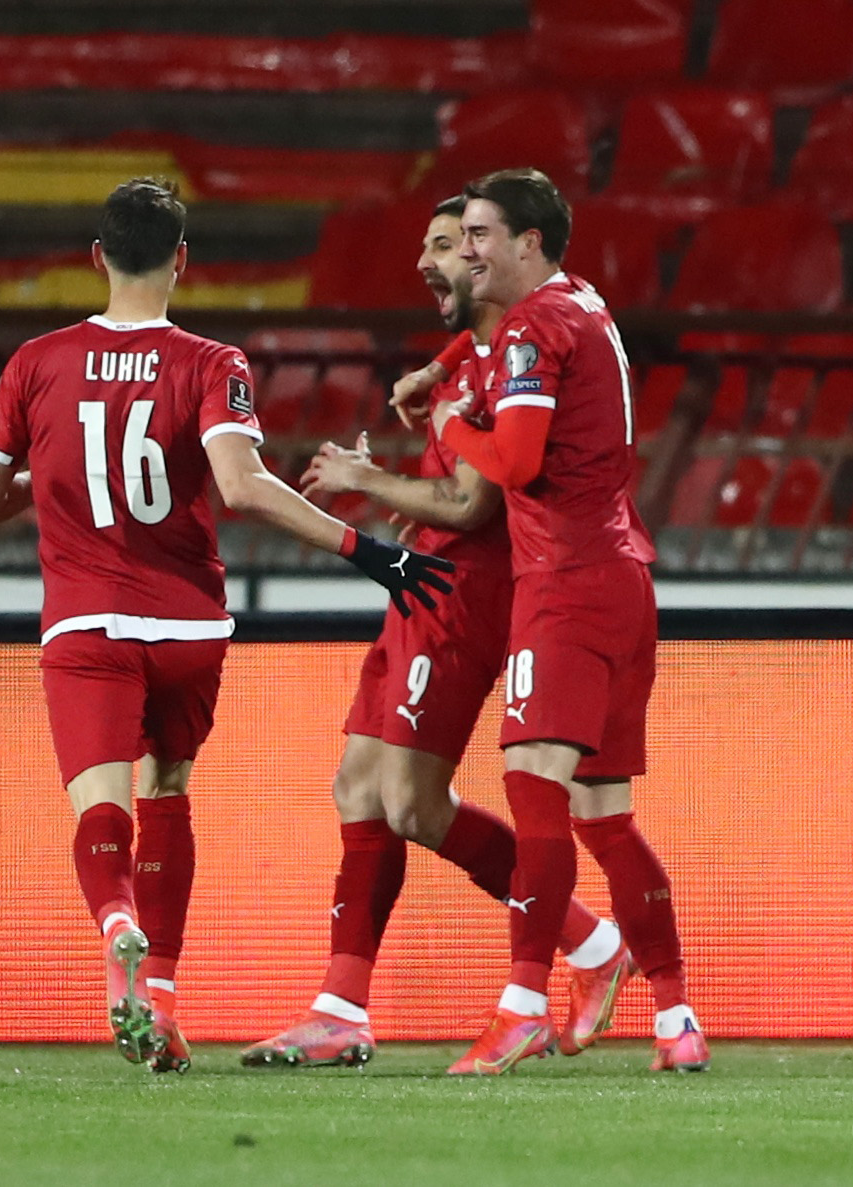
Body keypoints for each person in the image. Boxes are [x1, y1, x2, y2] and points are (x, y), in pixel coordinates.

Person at [0, 178, 453, 1074]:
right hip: (187, 623)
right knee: (168, 792)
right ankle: (167, 1005)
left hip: (86, 623)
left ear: (98, 257)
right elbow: (240, 484)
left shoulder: (36, 360)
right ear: (183, 259)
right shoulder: (211, 361)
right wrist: (367, 551)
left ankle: (118, 930)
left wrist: (61, 477)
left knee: (100, 806)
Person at [240, 197, 629, 1070]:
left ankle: (594, 945)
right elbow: (476, 344)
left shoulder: (514, 360)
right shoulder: (483, 351)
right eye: (431, 243)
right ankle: (340, 1007)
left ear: (499, 259)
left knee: (413, 802)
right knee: (356, 786)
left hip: (465, 591)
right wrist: (438, 368)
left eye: (454, 246)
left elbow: (470, 501)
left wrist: (364, 477)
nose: (435, 260)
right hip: (423, 588)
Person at [431, 168, 707, 1074]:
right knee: (605, 815)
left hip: (566, 580)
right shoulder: (581, 301)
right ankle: (676, 1017)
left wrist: (449, 425)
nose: (466, 250)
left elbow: (512, 461)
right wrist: (447, 378)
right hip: (626, 577)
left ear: (530, 244)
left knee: (531, 784)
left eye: (480, 234)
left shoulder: (534, 325)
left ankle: (521, 1005)